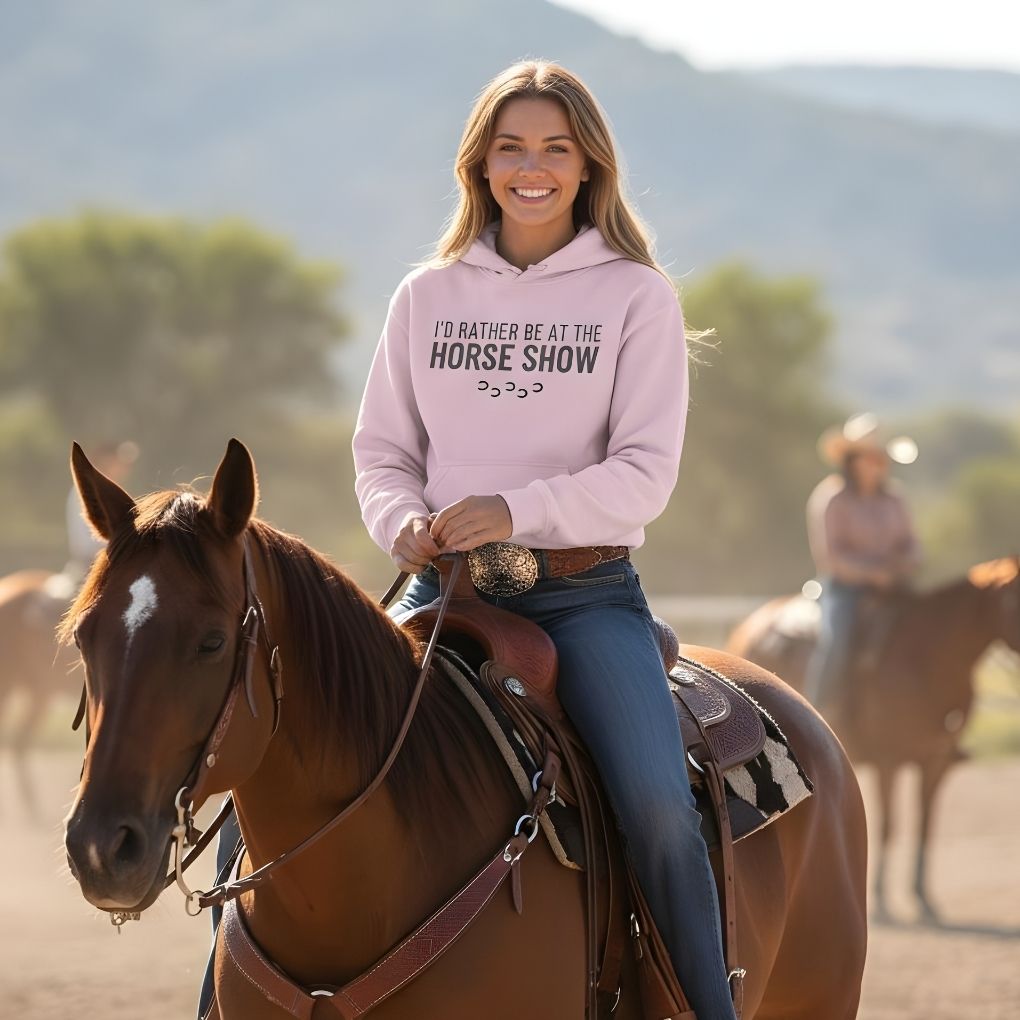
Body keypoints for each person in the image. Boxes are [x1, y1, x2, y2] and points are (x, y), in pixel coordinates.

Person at [351, 61, 737, 1019]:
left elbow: (644, 474)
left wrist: (515, 509)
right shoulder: (426, 295)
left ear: (588, 165)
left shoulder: (636, 296)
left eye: (556, 149)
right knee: (293, 758)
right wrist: (401, 522)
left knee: (658, 806)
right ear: (480, 165)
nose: (533, 168)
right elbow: (383, 453)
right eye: (512, 148)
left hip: (581, 597)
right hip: (441, 590)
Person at [804, 413, 921, 718]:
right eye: (870, 458)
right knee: (837, 642)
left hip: (894, 587)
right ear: (852, 461)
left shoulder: (895, 499)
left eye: (880, 458)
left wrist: (903, 565)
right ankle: (818, 712)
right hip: (844, 589)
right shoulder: (832, 498)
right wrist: (873, 574)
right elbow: (832, 558)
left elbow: (911, 544)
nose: (876, 465)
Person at [64, 440, 139, 581]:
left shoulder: (115, 492)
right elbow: (84, 540)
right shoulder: (85, 489)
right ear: (107, 460)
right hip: (90, 564)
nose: (125, 468)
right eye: (120, 462)